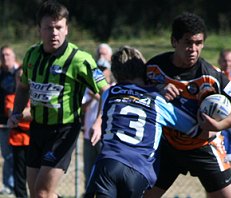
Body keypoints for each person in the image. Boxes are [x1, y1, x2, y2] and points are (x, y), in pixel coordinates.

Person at [145, 12, 231, 198]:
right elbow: (130, 92)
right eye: (188, 42)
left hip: (204, 146)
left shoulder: (211, 75)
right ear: (174, 41)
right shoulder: (154, 68)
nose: (193, 49)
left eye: (198, 43)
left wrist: (221, 125)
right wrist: (156, 90)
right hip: (167, 147)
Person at [6, 1, 109, 197]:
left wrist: (99, 121)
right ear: (40, 30)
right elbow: (23, 87)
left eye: (59, 27)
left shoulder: (80, 60)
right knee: (36, 194)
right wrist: (17, 112)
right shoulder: (31, 55)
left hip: (63, 131)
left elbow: (106, 91)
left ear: (67, 29)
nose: (54, 33)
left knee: (43, 192)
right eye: (49, 28)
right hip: (37, 128)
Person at [84, 46, 200, 198]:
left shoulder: (109, 93)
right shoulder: (157, 100)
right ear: (143, 70)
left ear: (115, 72)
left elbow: (104, 84)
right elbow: (191, 125)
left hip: (108, 164)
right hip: (138, 170)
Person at [82, 43, 114, 188]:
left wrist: (99, 96)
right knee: (89, 173)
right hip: (89, 134)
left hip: (106, 135)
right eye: (99, 54)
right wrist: (91, 96)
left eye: (104, 54)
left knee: (105, 173)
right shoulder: (89, 85)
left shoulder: (115, 86)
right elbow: (82, 106)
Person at [5, 67, 31, 198]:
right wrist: (29, 112)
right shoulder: (11, 97)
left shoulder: (35, 98)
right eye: (18, 77)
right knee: (19, 176)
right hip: (18, 141)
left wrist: (22, 114)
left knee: (37, 174)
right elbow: (12, 113)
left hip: (35, 141)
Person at [0, 45, 20, 195]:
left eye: (8, 55)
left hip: (23, 123)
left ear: (14, 56)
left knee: (21, 156)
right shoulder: (1, 74)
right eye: (2, 55)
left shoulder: (21, 73)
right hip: (4, 122)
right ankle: (9, 185)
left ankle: (20, 183)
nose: (5, 58)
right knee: (7, 155)